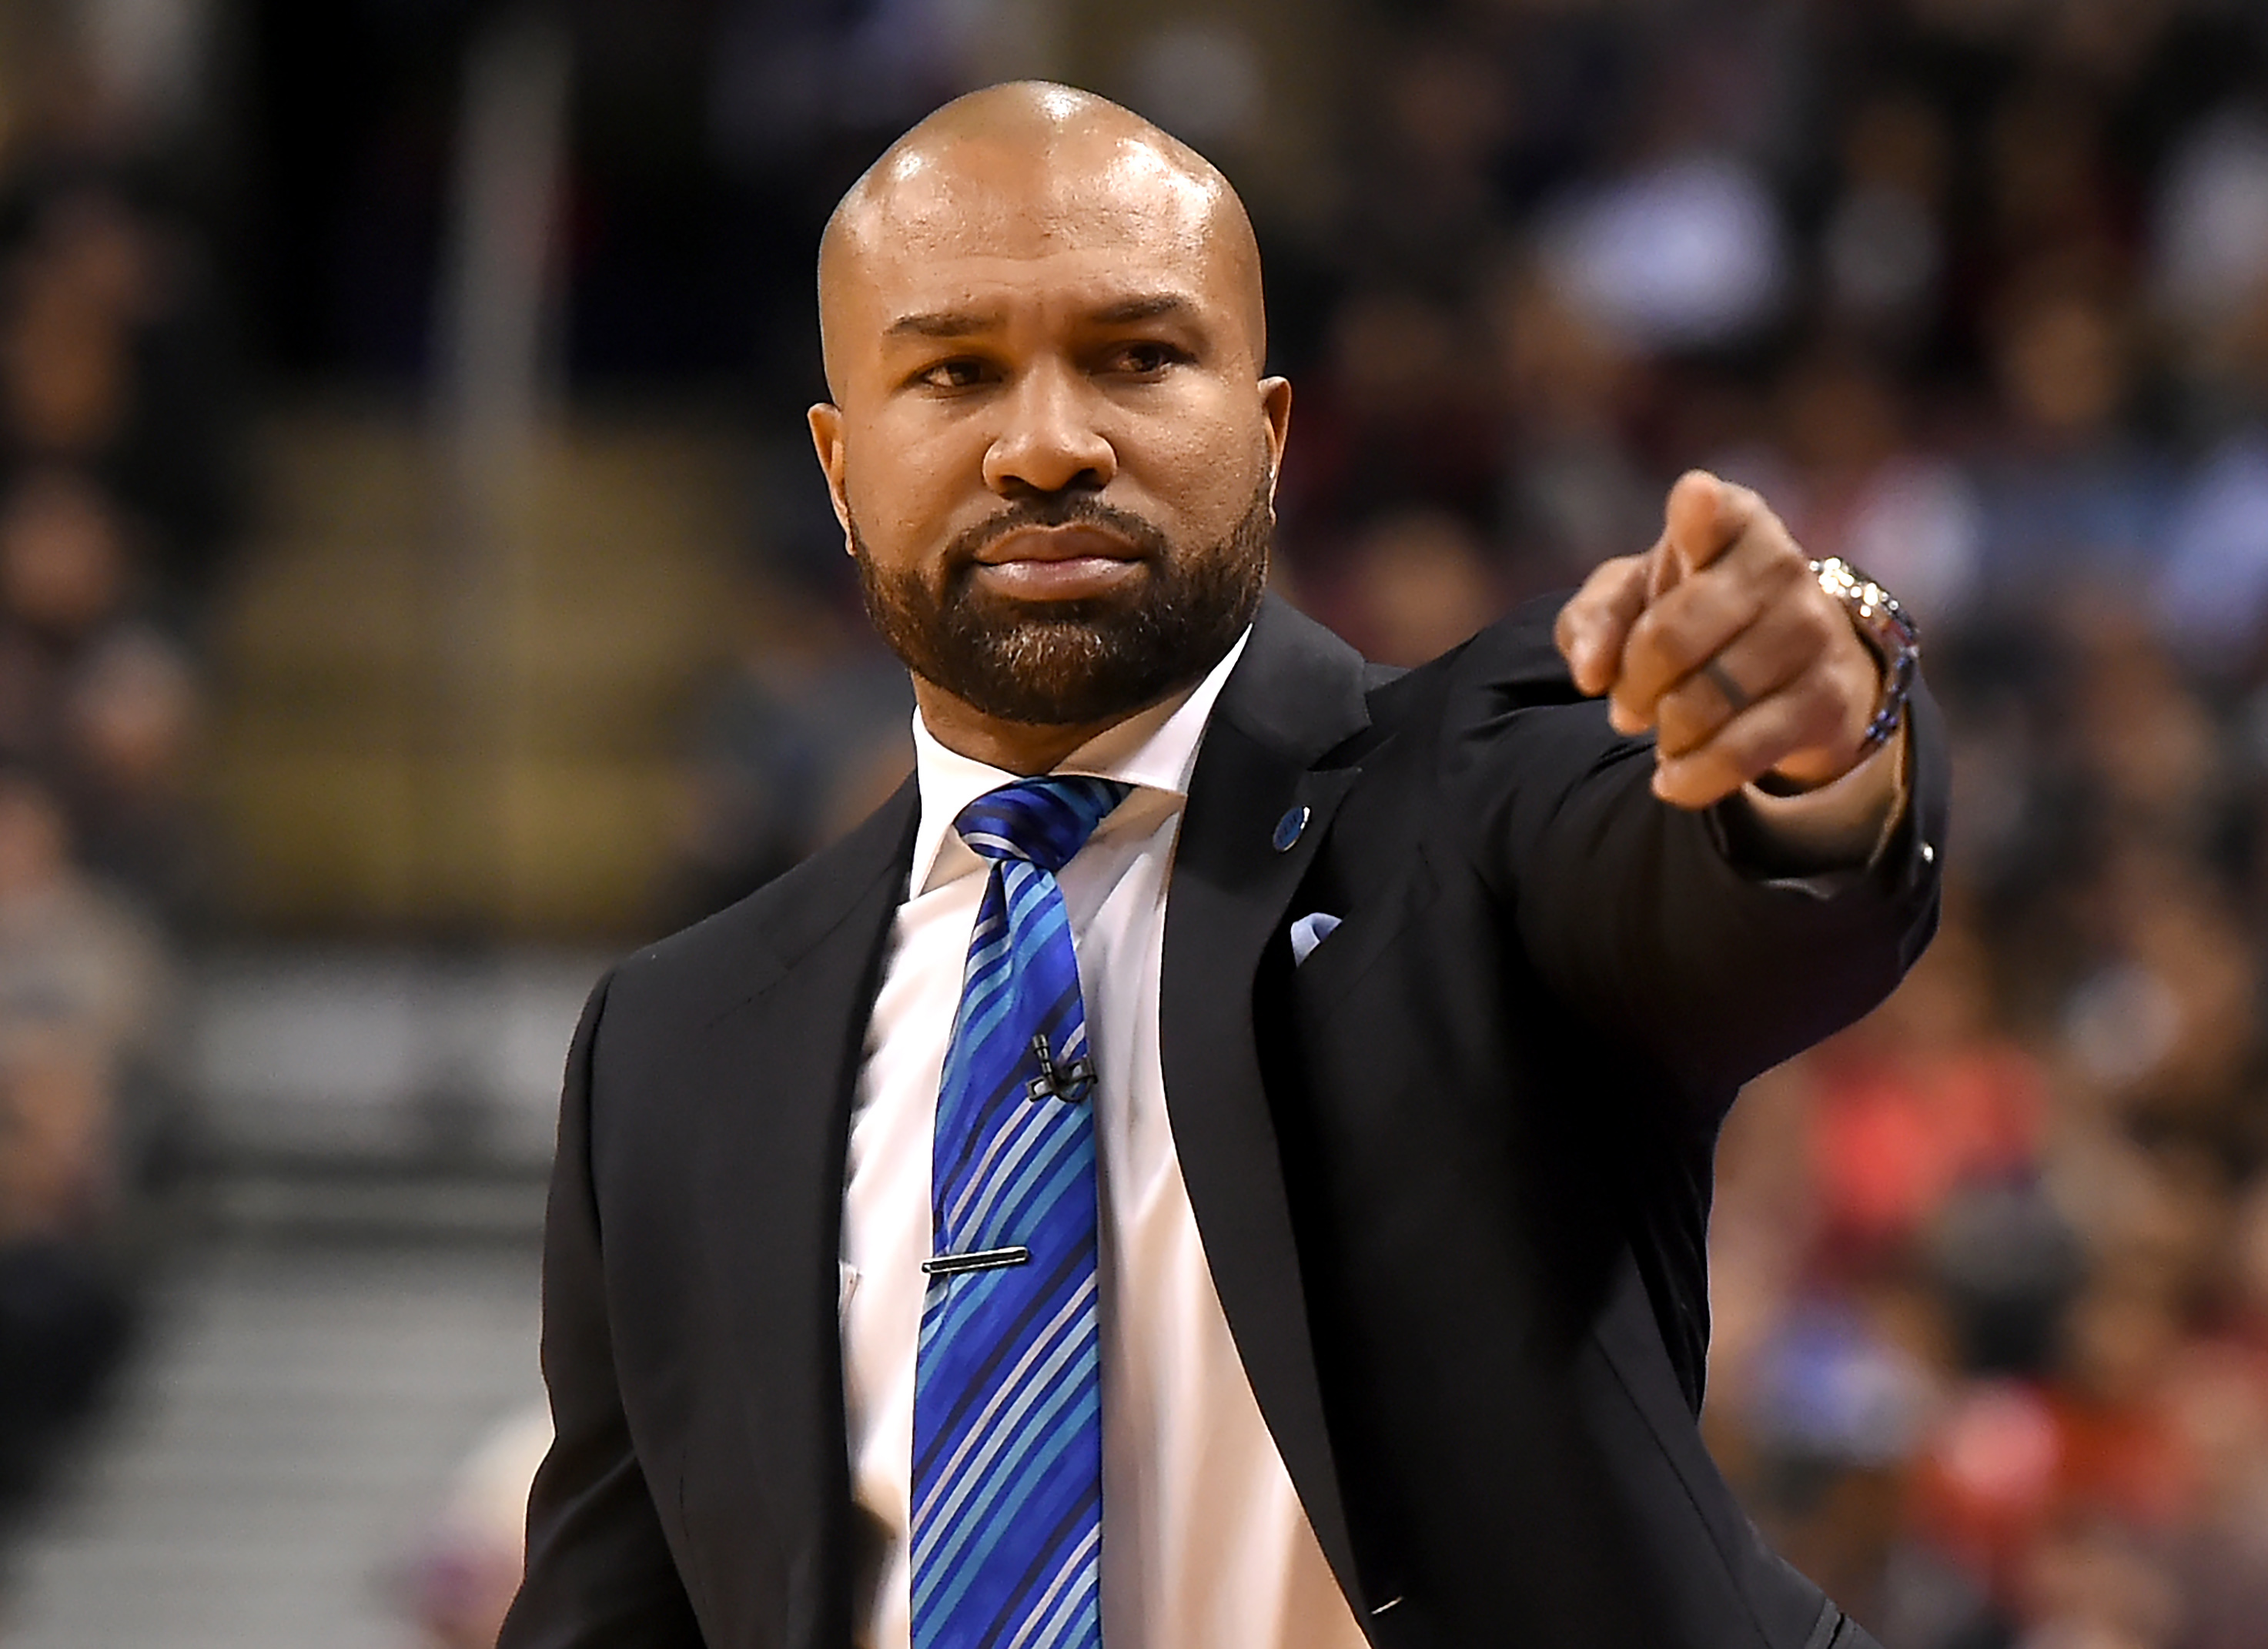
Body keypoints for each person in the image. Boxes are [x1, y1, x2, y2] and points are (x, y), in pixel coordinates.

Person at [500, 82, 1945, 1649]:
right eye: (957, 372)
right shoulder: (673, 1047)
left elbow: (1741, 897)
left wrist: (1808, 744)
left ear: (1265, 437)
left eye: (1136, 358)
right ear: (844, 474)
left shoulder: (1471, 785)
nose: (1047, 446)